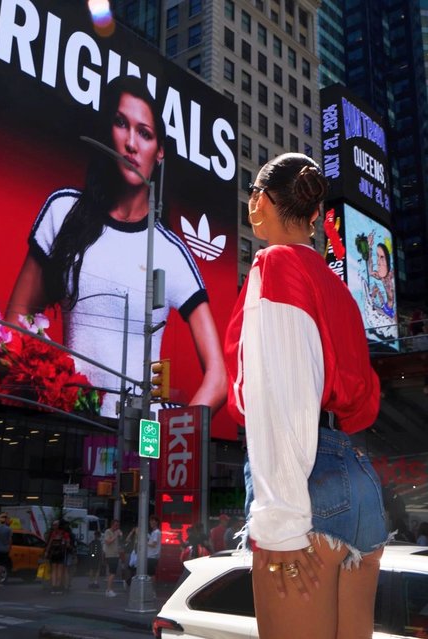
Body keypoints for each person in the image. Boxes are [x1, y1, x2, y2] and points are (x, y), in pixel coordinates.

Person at [224, 153, 389, 639]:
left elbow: (283, 397)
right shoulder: (336, 287)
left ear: (260, 202)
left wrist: (281, 522)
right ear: (315, 216)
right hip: (357, 478)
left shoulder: (274, 266)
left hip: (304, 485)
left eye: (253, 192)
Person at [4, 75, 226, 417]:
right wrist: (31, 375)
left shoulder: (170, 252)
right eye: (122, 124)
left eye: (145, 133)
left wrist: (177, 435)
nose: (131, 143)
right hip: (67, 424)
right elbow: (16, 320)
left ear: (159, 151)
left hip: (141, 434)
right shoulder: (64, 210)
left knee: (133, 470)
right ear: (108, 130)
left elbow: (219, 378)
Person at [44, 520, 70, 594]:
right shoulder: (65, 534)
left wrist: (46, 552)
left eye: (54, 525)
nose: (53, 526)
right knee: (59, 570)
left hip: (54, 554)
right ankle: (58, 587)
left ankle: (53, 586)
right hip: (61, 554)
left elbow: (49, 544)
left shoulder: (53, 533)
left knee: (54, 570)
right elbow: (67, 545)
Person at [103, 519, 122, 597]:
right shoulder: (108, 532)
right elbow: (108, 542)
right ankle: (108, 589)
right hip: (110, 555)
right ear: (112, 525)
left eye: (118, 525)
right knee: (112, 573)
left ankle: (109, 589)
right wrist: (116, 535)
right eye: (115, 525)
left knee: (112, 572)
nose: (117, 527)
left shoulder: (116, 532)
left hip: (115, 554)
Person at [0, 513, 12, 584]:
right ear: (5, 521)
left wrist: (0, 517)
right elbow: (10, 540)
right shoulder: (9, 529)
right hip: (5, 550)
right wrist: (9, 548)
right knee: (1, 565)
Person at [147, 515, 161, 581]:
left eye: (153, 521)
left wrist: (145, 543)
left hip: (152, 556)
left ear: (157, 522)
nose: (151, 522)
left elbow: (154, 544)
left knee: (151, 574)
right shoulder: (155, 532)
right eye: (150, 521)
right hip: (152, 555)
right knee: (151, 573)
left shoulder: (156, 532)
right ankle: (152, 589)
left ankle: (152, 590)